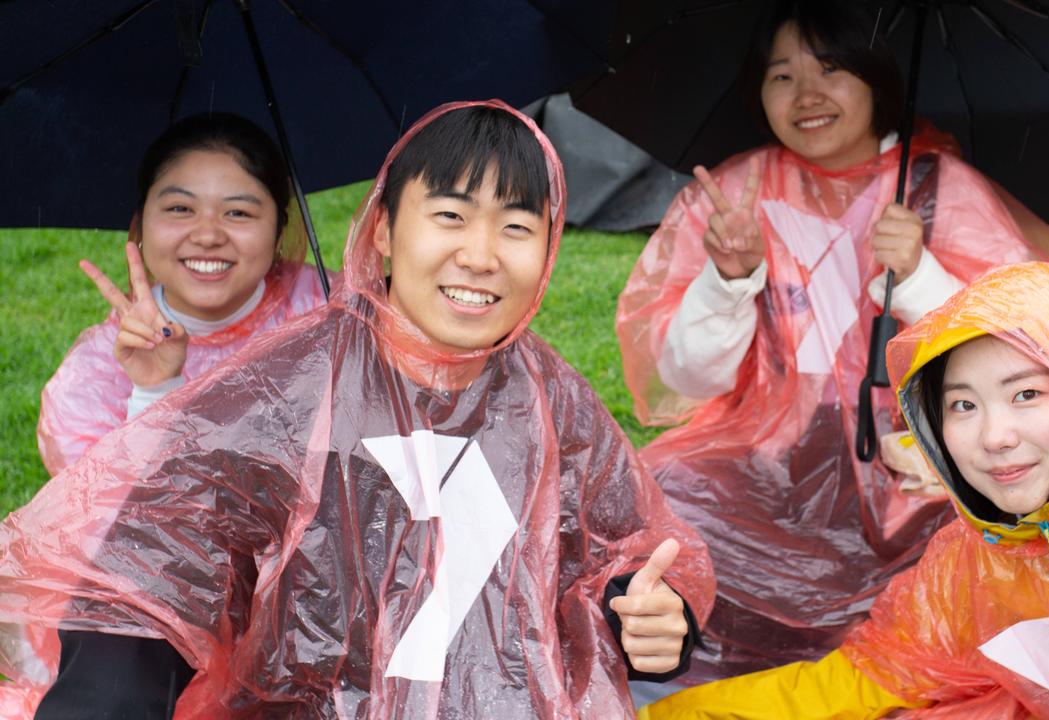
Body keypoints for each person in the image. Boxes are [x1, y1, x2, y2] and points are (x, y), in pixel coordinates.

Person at [0, 101, 713, 719]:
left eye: (517, 228)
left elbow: (624, 548)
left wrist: (652, 619)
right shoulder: (287, 389)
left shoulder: (551, 396)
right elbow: (150, 573)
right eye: (450, 216)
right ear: (382, 232)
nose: (481, 254)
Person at [615, 0, 1049, 681]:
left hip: (917, 459)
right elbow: (688, 379)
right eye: (782, 77)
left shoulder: (936, 189)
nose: (808, 97)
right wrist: (728, 277)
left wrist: (919, 276)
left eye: (832, 70)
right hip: (763, 449)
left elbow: (1034, 339)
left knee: (984, 529)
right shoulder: (736, 193)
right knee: (664, 495)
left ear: (876, 80)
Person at [637, 261, 1049, 718]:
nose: (994, 436)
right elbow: (857, 684)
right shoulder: (972, 565)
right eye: (963, 406)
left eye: (1027, 394)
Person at [37, 112, 331, 477]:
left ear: (279, 230)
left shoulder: (332, 309)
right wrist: (153, 392)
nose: (208, 236)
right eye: (180, 209)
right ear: (141, 221)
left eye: (238, 212)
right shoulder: (93, 378)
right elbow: (108, 520)